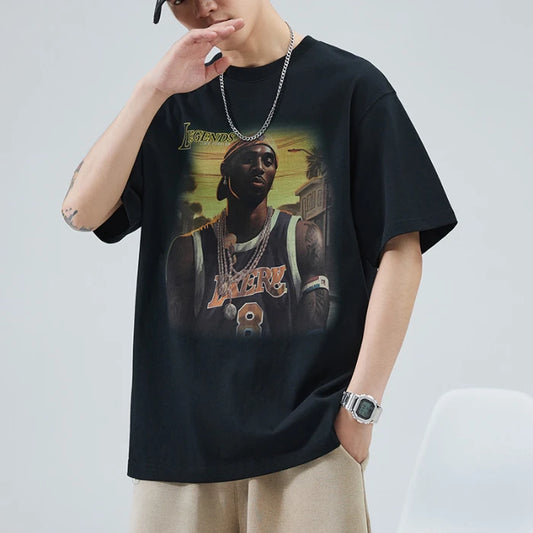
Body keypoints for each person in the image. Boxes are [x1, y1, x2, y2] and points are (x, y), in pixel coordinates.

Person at [61, 0, 458, 531]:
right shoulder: (174, 104)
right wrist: (152, 90)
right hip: (179, 451)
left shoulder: (350, 88)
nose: (202, 6)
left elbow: (401, 251)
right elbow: (81, 212)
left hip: (310, 445)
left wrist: (359, 409)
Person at [165, 136, 330, 337]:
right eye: (248, 159)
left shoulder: (303, 237)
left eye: (267, 161)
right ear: (225, 170)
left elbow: (312, 335)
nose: (259, 167)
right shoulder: (188, 250)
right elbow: (178, 338)